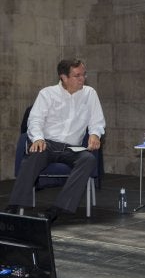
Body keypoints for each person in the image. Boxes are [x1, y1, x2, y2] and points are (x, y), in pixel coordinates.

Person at [5, 59, 105, 223]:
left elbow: (97, 121)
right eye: (77, 75)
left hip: (73, 148)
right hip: (48, 144)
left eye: (83, 74)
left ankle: (56, 209)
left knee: (88, 160)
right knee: (34, 155)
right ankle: (15, 206)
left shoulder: (90, 93)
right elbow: (35, 120)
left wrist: (95, 134)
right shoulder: (47, 93)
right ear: (64, 77)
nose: (83, 79)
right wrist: (37, 138)